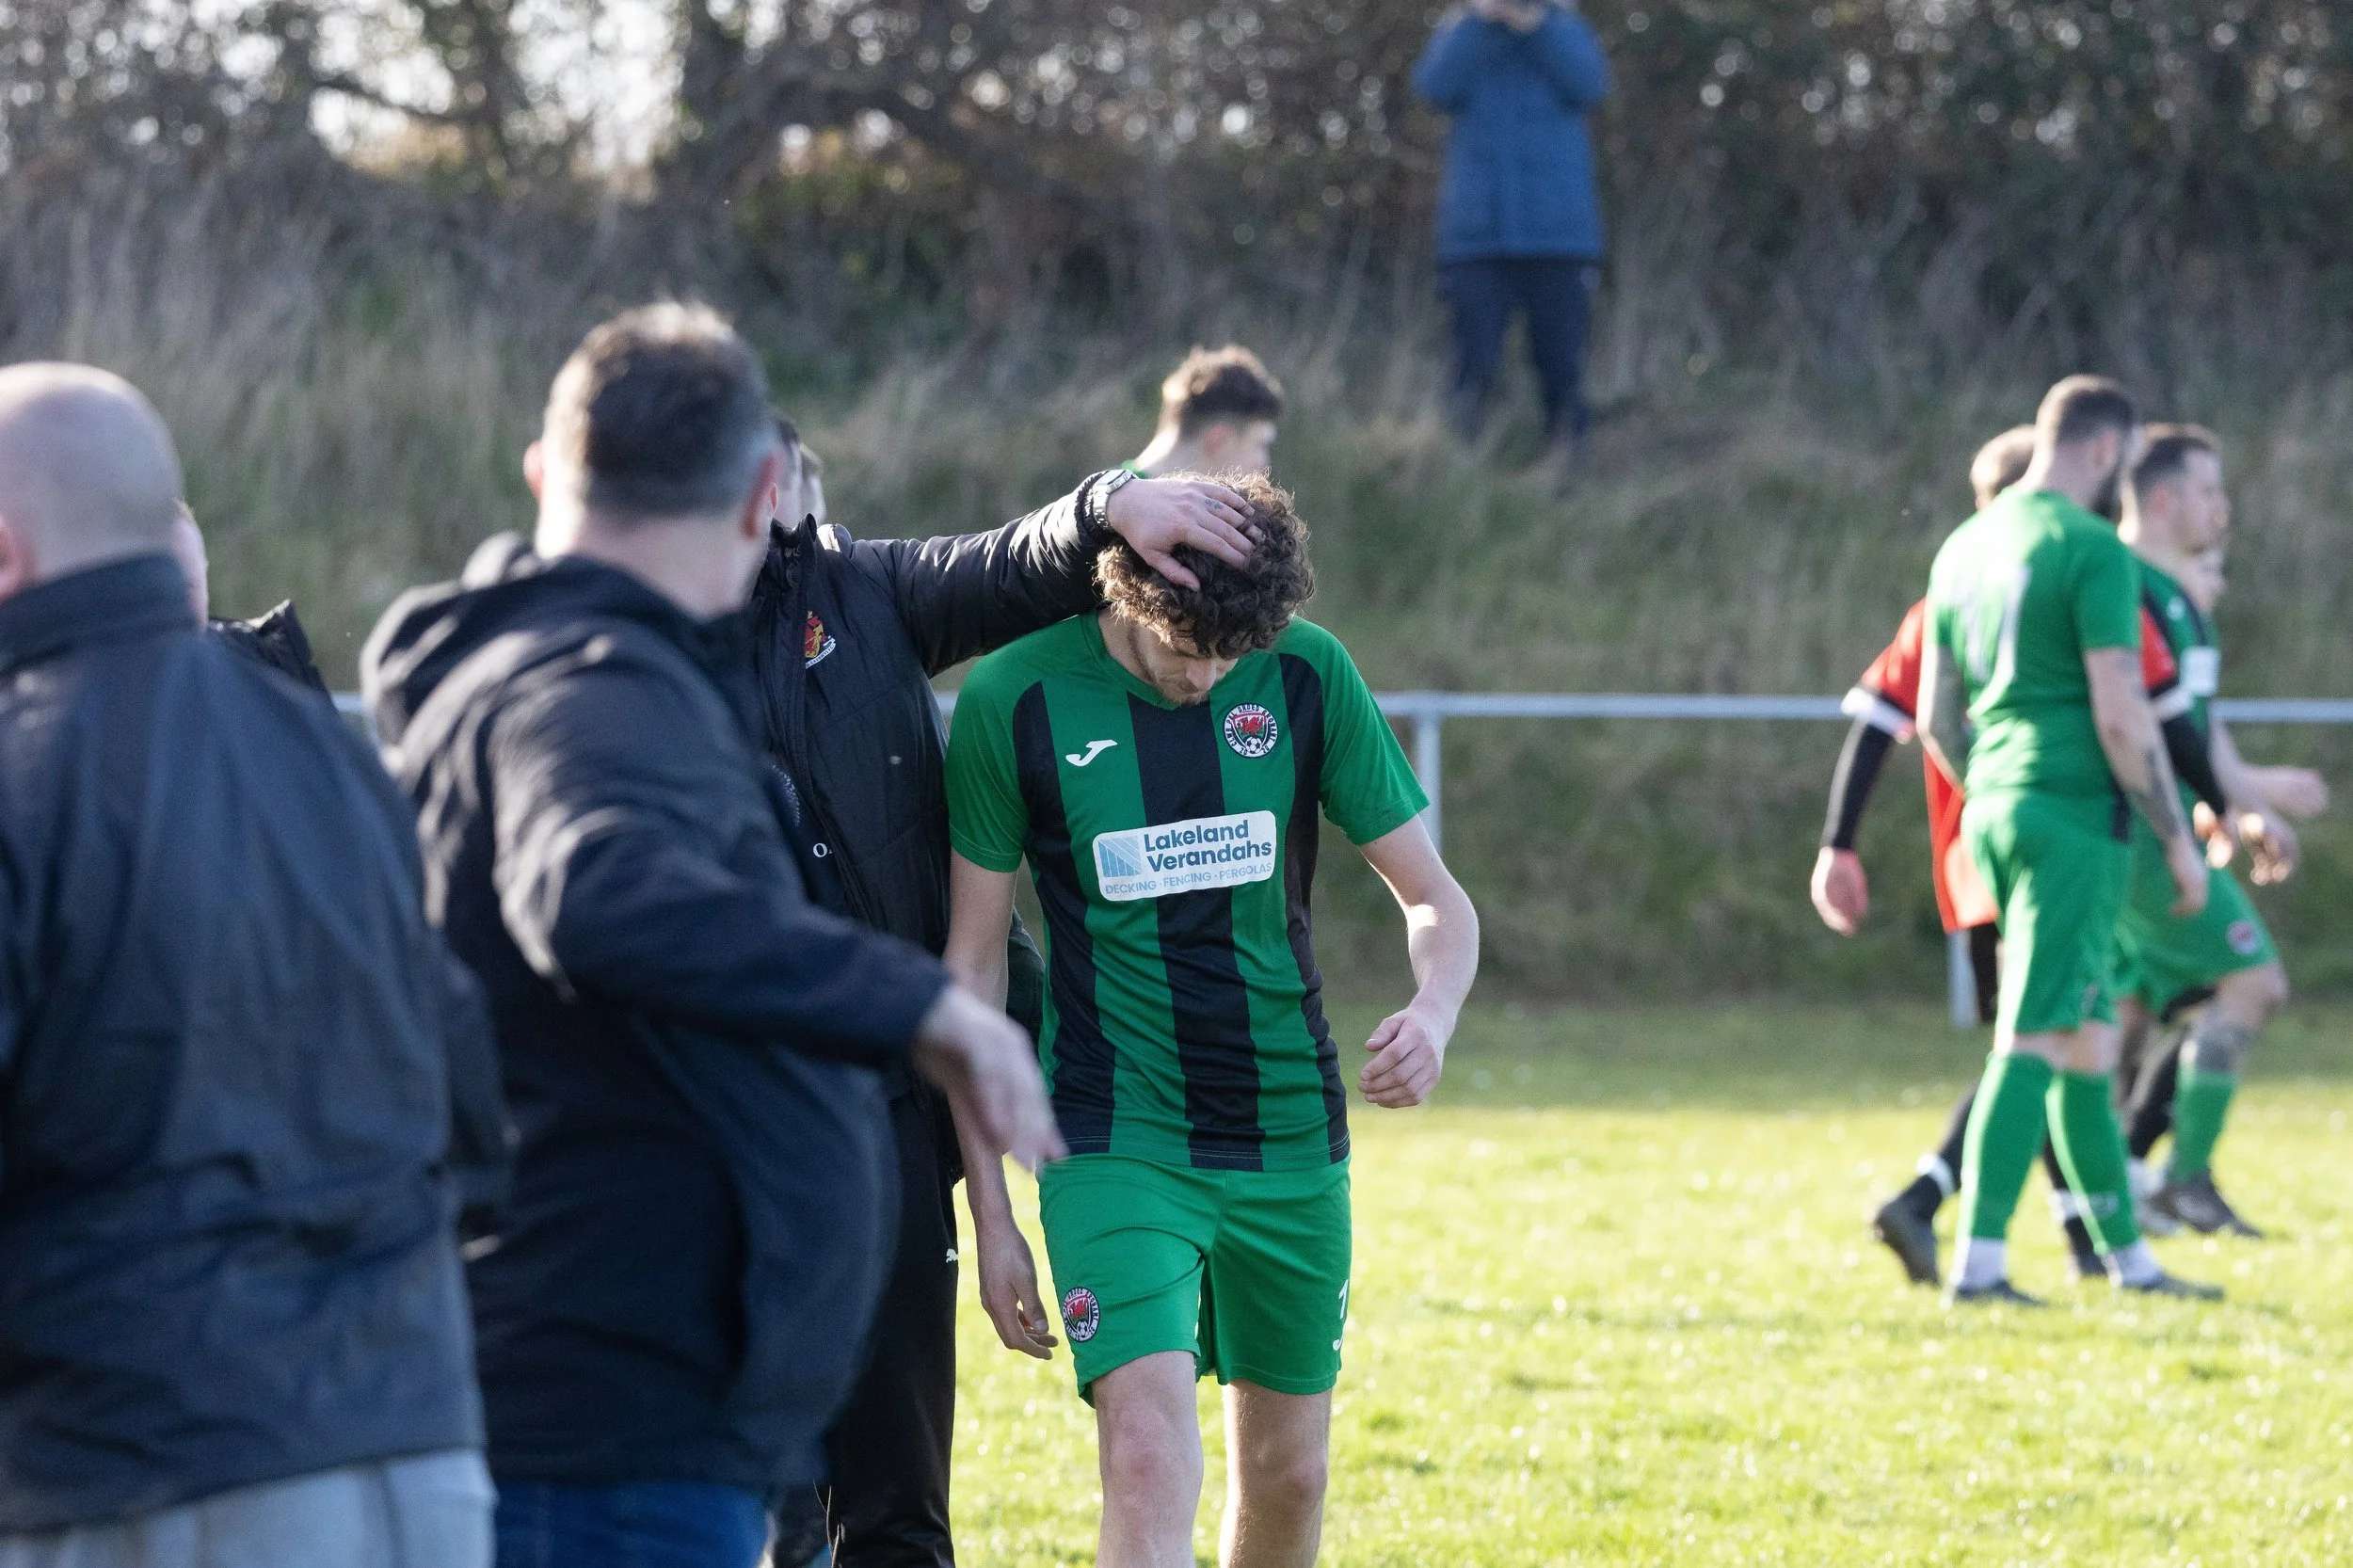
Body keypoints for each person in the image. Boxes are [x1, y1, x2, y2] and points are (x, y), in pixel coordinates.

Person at [361, 303, 1064, 1568]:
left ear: (543, 476)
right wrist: (926, 1005)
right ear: (762, 498)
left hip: (579, 1397)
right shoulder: (600, 692)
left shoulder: (523, 667)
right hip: (607, 1429)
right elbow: (599, 886)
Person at [0, 363, 498, 1565]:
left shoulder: (23, 773)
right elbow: (472, 1109)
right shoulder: (328, 753)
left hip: (149, 1477)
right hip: (419, 1454)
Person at [940, 473, 1480, 1567]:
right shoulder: (1015, 700)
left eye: (1232, 655)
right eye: (1184, 646)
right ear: (1126, 583)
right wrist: (990, 1212)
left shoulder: (1308, 674)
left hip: (1287, 1130)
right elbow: (970, 966)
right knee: (1147, 1451)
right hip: (1108, 1131)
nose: (1208, 674)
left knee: (1289, 1478)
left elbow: (1438, 901)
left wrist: (1434, 1008)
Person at [746, 422, 1259, 1567]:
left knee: (897, 1504)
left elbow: (1015, 557)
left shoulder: (866, 591)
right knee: (757, 1498)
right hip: (722, 1123)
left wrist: (1111, 502)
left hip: (886, 1114)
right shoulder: (626, 650)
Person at [1917, 375, 2217, 1304]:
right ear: (2102, 450)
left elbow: (1934, 715)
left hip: (1998, 805)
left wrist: (1996, 788)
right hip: (2074, 816)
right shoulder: (2088, 547)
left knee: (2087, 1040)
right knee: (2036, 1036)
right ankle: (1980, 1264)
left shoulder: (1962, 544)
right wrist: (2176, 840)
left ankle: (2126, 1260)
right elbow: (2122, 713)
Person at [2105, 425, 2325, 1238]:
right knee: (2251, 984)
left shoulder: (2180, 602)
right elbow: (2135, 728)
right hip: (2132, 832)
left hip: (2157, 827)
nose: (2221, 508)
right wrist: (2208, 816)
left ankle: (2113, 1184)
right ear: (2161, 498)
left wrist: (2241, 803)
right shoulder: (2119, 584)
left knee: (2123, 1019)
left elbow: (2193, 730)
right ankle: (2180, 1181)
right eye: (2206, 490)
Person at [1412, 0, 1611, 443]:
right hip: (1475, 240)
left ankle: (1568, 475)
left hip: (1560, 237)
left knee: (1562, 367)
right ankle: (1458, 472)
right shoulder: (1464, 29)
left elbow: (1590, 85)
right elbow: (1434, 87)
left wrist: (1535, 25)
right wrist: (1481, 20)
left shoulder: (1566, 27)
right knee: (1471, 367)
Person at [1125, 347, 1284, 479]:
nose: (1265, 468)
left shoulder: (1107, 494)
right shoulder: (1112, 509)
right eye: (1260, 445)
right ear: (1219, 440)